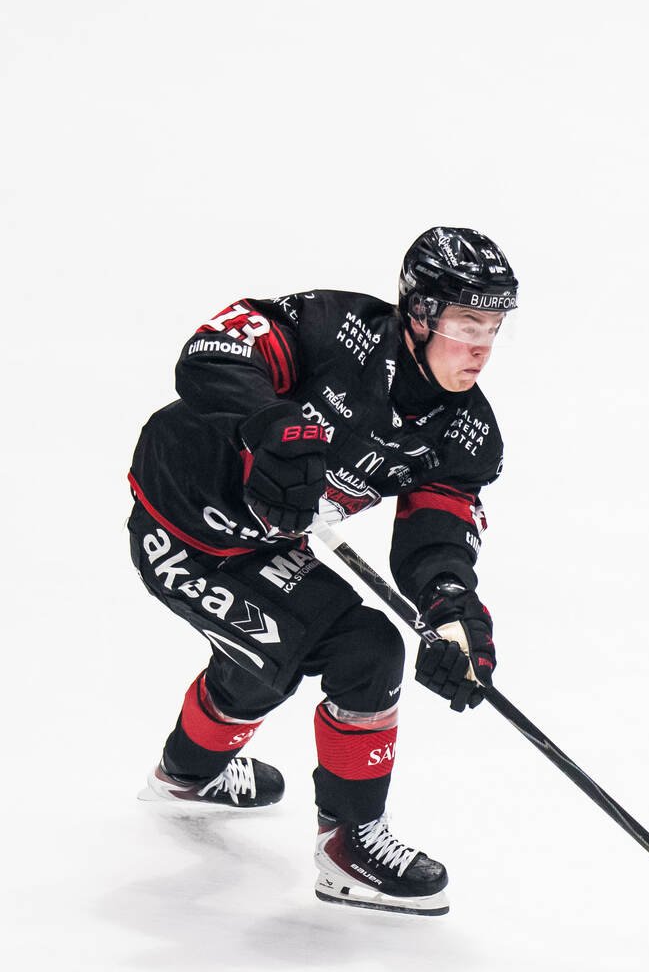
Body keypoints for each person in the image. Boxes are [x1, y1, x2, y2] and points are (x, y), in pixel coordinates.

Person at [128, 227, 518, 914]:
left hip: (272, 544)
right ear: (420, 314)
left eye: (493, 325)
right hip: (182, 523)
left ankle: (185, 777)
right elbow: (211, 352)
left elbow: (435, 538)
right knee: (361, 648)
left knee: (265, 657)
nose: (482, 345)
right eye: (466, 322)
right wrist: (270, 423)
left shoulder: (466, 432)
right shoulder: (339, 330)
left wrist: (453, 610)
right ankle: (350, 845)